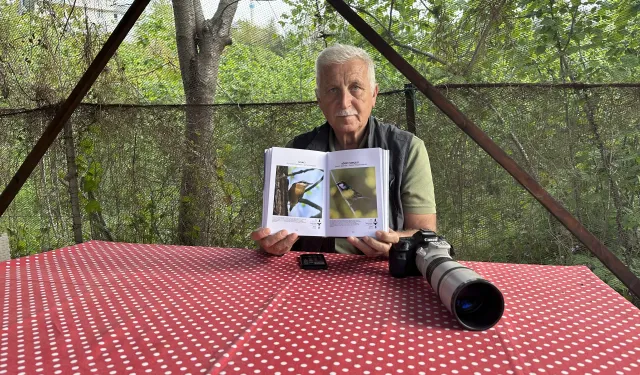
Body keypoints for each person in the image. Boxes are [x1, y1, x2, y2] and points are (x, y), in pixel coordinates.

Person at [251, 44, 436, 257]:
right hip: (311, 274)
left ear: (374, 94)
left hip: (382, 274)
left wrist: (395, 244)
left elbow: (426, 234)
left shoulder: (407, 149)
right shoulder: (296, 150)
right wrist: (271, 243)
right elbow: (273, 231)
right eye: (332, 90)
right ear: (319, 98)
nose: (344, 101)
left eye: (355, 87)